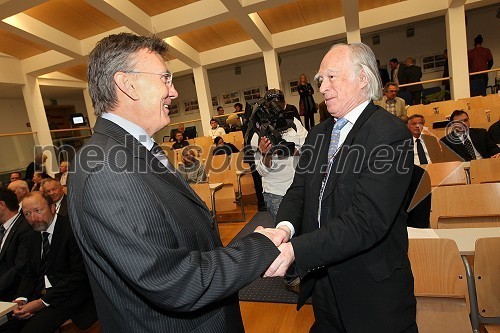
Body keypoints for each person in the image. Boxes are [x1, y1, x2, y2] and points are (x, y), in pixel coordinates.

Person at [68, 33, 284, 332]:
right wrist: (260, 247)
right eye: (165, 79)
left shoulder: (128, 152)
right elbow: (174, 282)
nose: (174, 92)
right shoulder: (107, 168)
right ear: (127, 84)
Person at [266, 42, 417, 332]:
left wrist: (295, 250)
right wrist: (283, 228)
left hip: (372, 293)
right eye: (320, 79)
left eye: (331, 77)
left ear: (363, 78)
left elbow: (367, 220)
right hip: (324, 286)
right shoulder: (318, 135)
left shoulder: (390, 134)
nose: (322, 87)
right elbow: (299, 191)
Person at [3, 192, 97, 333]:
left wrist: (41, 303)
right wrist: (21, 299)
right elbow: (28, 274)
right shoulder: (31, 235)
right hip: (39, 296)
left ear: (53, 207)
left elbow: (79, 276)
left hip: (67, 298)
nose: (33, 218)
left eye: (38, 210)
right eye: (27, 213)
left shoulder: (71, 230)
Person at [250, 89, 308, 223]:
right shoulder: (258, 134)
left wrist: (294, 151)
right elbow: (261, 171)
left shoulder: (294, 123)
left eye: (279, 105)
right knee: (283, 236)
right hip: (276, 193)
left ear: (285, 104)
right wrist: (267, 154)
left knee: (306, 231)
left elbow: (309, 149)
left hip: (300, 187)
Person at [0, 189, 33, 302]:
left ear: (2, 205)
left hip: (14, 293)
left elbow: (20, 267)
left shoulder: (25, 228)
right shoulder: (3, 228)